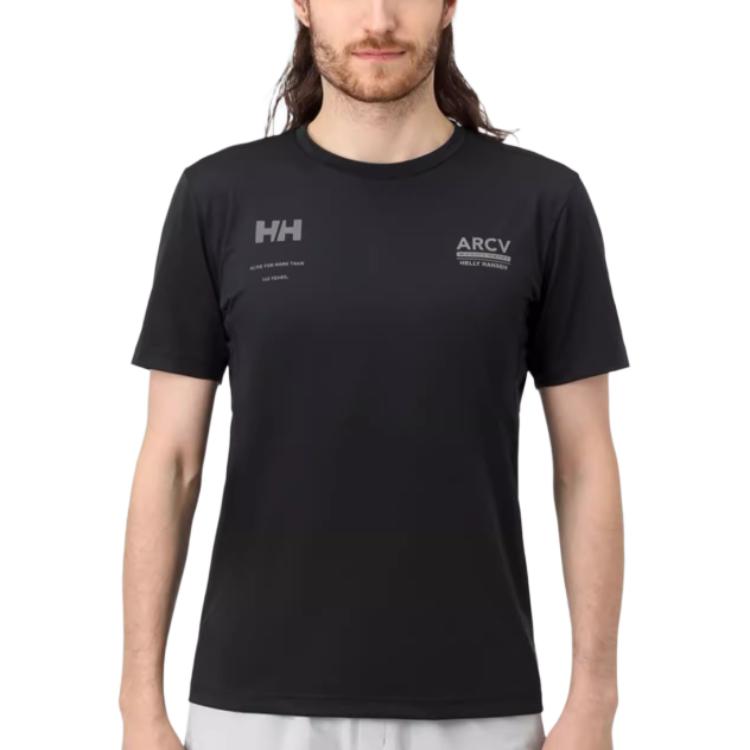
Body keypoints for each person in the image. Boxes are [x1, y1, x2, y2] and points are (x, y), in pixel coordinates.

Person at [119, 1, 629, 749]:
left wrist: (595, 701)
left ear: (449, 5)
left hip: (477, 705)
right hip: (252, 705)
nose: (379, 18)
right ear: (302, 5)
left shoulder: (542, 203)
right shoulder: (218, 197)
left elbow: (584, 463)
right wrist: (139, 705)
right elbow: (171, 461)